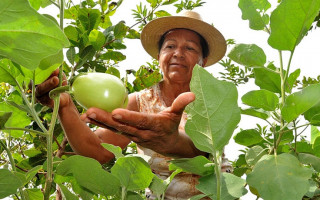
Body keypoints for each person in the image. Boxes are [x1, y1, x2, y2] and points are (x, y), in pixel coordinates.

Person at [36, 10, 232, 199]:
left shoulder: (212, 99)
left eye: (189, 48)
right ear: (159, 57)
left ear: (203, 61)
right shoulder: (139, 102)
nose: (178, 53)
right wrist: (64, 106)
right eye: (170, 46)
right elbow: (97, 151)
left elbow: (202, 148)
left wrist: (171, 141)